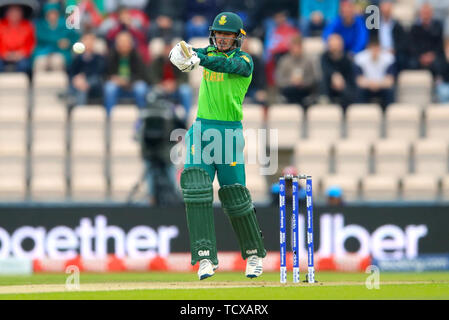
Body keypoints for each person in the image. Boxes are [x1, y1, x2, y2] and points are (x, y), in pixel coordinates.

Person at [169, 12, 266, 280]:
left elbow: (222, 65)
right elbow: (192, 52)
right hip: (201, 130)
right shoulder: (207, 52)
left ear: (238, 38)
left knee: (235, 196)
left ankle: (253, 254)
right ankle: (204, 258)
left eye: (228, 35)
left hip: (228, 134)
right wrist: (179, 53)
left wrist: (199, 59)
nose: (222, 39)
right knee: (196, 189)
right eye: (219, 34)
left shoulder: (245, 61)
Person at [103, 31, 150, 115]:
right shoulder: (111, 55)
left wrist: (127, 80)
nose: (123, 44)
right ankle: (110, 117)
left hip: (133, 84)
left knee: (141, 88)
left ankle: (142, 117)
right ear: (116, 44)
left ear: (131, 44)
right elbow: (105, 74)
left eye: (126, 42)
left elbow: (142, 75)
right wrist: (113, 78)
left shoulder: (137, 55)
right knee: (109, 88)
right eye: (121, 42)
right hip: (117, 85)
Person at [149, 40, 192, 120]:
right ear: (162, 50)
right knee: (152, 93)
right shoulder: (156, 62)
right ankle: (153, 119)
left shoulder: (180, 61)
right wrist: (162, 84)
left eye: (169, 49)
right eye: (165, 49)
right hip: (161, 88)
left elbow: (185, 77)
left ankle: (185, 119)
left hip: (176, 89)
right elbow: (151, 76)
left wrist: (175, 84)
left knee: (186, 90)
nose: (167, 52)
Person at [33, 2, 79, 72]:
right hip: (43, 51)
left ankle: (59, 82)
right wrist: (58, 41)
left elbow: (74, 38)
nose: (52, 16)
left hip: (60, 52)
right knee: (40, 62)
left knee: (57, 61)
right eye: (50, 13)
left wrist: (68, 42)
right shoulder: (40, 25)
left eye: (54, 13)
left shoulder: (66, 25)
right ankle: (38, 82)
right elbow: (39, 38)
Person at [354, 34, 395, 111]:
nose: (375, 51)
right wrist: (371, 84)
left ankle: (388, 112)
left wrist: (378, 84)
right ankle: (362, 112)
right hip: (367, 87)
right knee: (359, 91)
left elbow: (390, 80)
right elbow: (359, 80)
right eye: (373, 48)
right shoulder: (360, 58)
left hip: (382, 86)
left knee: (390, 90)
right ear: (368, 48)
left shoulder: (388, 58)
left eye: (377, 48)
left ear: (380, 48)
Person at [275, 35, 317, 109]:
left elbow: (312, 79)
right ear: (290, 48)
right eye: (294, 47)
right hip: (288, 91)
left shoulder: (308, 61)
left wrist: (302, 82)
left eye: (298, 47)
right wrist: (291, 81)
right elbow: (279, 80)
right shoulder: (284, 61)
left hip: (304, 91)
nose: (296, 50)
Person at [320, 33, 356, 112]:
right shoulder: (324, 57)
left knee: (352, 90)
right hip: (330, 86)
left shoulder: (347, 59)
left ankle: (346, 111)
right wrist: (334, 75)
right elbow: (325, 69)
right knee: (323, 80)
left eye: (337, 45)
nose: (334, 47)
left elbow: (350, 77)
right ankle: (324, 102)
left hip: (344, 86)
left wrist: (341, 82)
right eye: (332, 45)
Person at [68, 32, 106, 107]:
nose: (88, 43)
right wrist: (77, 79)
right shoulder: (78, 58)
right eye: (86, 41)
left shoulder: (99, 57)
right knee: (80, 88)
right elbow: (71, 72)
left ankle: (79, 111)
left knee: (86, 84)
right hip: (79, 83)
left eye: (90, 41)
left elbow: (99, 72)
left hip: (94, 85)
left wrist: (83, 77)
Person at [409, 2, 444, 77]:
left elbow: (439, 44)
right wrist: (421, 56)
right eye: (424, 12)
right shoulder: (414, 28)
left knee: (440, 64)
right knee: (412, 63)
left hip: (433, 55)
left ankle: (439, 82)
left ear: (431, 13)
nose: (426, 15)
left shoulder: (438, 26)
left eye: (427, 12)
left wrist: (431, 55)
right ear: (420, 14)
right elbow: (412, 45)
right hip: (419, 56)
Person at [0, 5, 35, 75]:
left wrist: (21, 53)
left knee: (25, 65)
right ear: (7, 13)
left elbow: (31, 43)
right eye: (12, 12)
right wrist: (4, 53)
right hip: (3, 55)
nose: (14, 14)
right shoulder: (1, 25)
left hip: (21, 56)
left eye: (17, 12)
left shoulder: (28, 25)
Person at [378, 0, 409, 73]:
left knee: (401, 58)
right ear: (381, 10)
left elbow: (403, 41)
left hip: (393, 51)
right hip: (378, 51)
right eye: (384, 10)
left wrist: (394, 49)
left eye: (388, 10)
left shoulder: (397, 25)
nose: (386, 12)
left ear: (391, 10)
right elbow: (372, 39)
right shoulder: (375, 24)